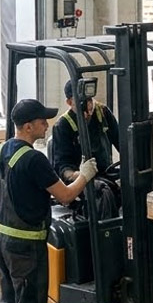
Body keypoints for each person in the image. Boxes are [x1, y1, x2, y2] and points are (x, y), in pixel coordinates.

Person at [0, 98, 98, 303]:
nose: (47, 125)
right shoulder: (34, 159)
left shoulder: (2, 151)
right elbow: (65, 196)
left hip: (4, 241)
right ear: (28, 126)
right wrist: (85, 175)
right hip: (27, 248)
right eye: (41, 121)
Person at [50, 80, 121, 219]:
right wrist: (83, 175)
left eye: (89, 100)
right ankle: (106, 230)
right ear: (69, 102)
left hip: (105, 172)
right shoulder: (63, 126)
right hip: (80, 179)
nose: (88, 106)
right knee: (102, 192)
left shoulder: (103, 112)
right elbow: (63, 167)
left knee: (134, 183)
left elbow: (122, 143)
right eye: (81, 102)